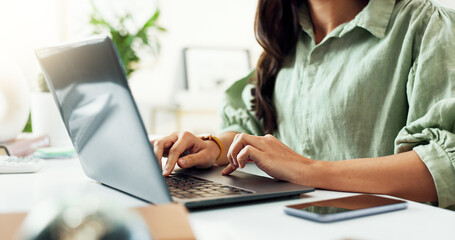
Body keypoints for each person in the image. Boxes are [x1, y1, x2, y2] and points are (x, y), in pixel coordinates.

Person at [153, 0, 455, 209]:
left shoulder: (426, 24)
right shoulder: (284, 39)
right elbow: (254, 129)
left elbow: (445, 164)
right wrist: (213, 146)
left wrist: (306, 170)